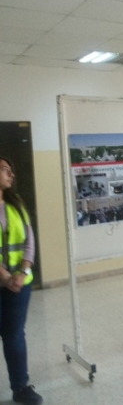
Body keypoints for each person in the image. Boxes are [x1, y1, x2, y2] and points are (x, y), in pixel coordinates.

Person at [0, 156, 43, 405]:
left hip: (18, 286)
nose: (11, 174)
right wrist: (5, 276)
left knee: (14, 335)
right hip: (7, 280)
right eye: (5, 170)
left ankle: (21, 388)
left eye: (11, 171)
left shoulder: (16, 203)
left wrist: (24, 272)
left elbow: (29, 241)